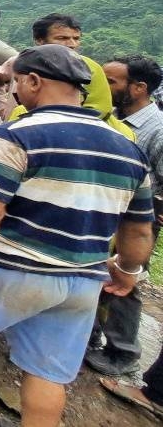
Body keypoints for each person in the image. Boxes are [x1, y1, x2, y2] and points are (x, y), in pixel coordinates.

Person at [0, 44, 155, 427]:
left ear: (33, 81)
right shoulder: (128, 148)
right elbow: (139, 228)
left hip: (15, 268)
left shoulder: (16, 134)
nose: (12, 91)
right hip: (82, 282)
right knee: (47, 369)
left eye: (14, 83)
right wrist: (127, 271)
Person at [85, 55, 163, 376]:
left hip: (135, 220)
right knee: (96, 276)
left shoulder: (155, 130)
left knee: (124, 282)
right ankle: (90, 336)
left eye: (112, 81)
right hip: (105, 214)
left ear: (139, 87)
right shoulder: (113, 118)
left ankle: (123, 352)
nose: (104, 86)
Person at [0, 13, 136, 139]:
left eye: (76, 38)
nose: (72, 44)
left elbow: (100, 108)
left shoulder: (89, 66)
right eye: (62, 38)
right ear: (39, 40)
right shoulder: (23, 65)